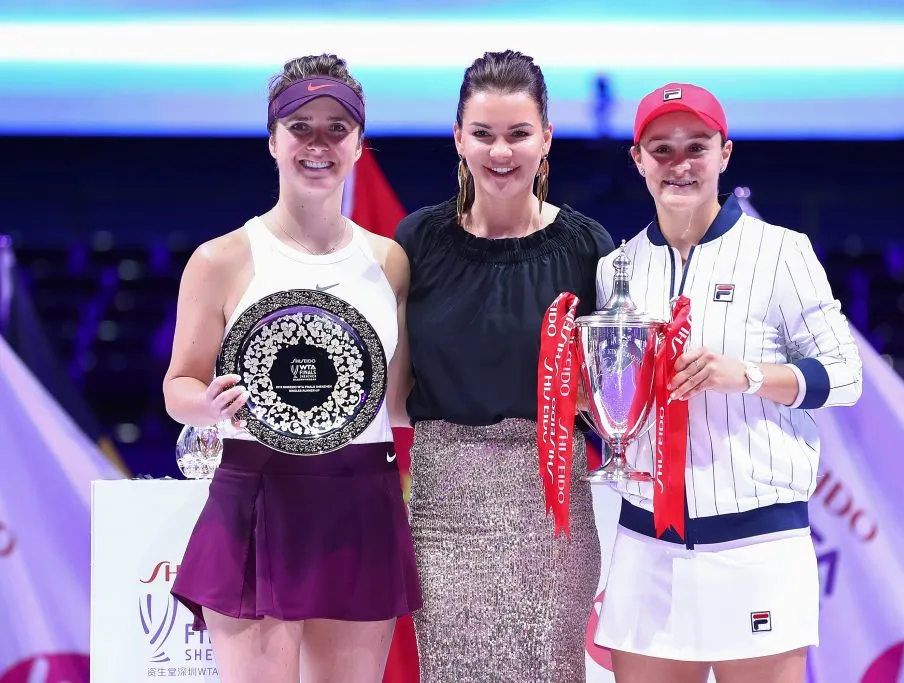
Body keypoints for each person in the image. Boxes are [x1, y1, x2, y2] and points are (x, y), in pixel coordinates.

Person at [593, 83, 863, 683]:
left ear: (725, 152)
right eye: (661, 149)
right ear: (637, 159)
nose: (680, 164)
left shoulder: (781, 253)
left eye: (696, 146)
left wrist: (746, 375)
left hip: (756, 545)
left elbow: (845, 375)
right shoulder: (616, 269)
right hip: (647, 543)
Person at [164, 54, 420, 683]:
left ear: (359, 143)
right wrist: (208, 405)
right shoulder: (221, 259)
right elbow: (178, 387)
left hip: (361, 494)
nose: (318, 144)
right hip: (257, 492)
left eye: (337, 128)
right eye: (300, 126)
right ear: (272, 140)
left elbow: (399, 399)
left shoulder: (389, 261)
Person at [394, 50, 615, 682]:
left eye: (518, 134)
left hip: (552, 513)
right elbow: (394, 391)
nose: (500, 152)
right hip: (444, 511)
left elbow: (609, 398)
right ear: (457, 139)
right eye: (483, 134)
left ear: (546, 139)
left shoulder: (589, 248)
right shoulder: (416, 242)